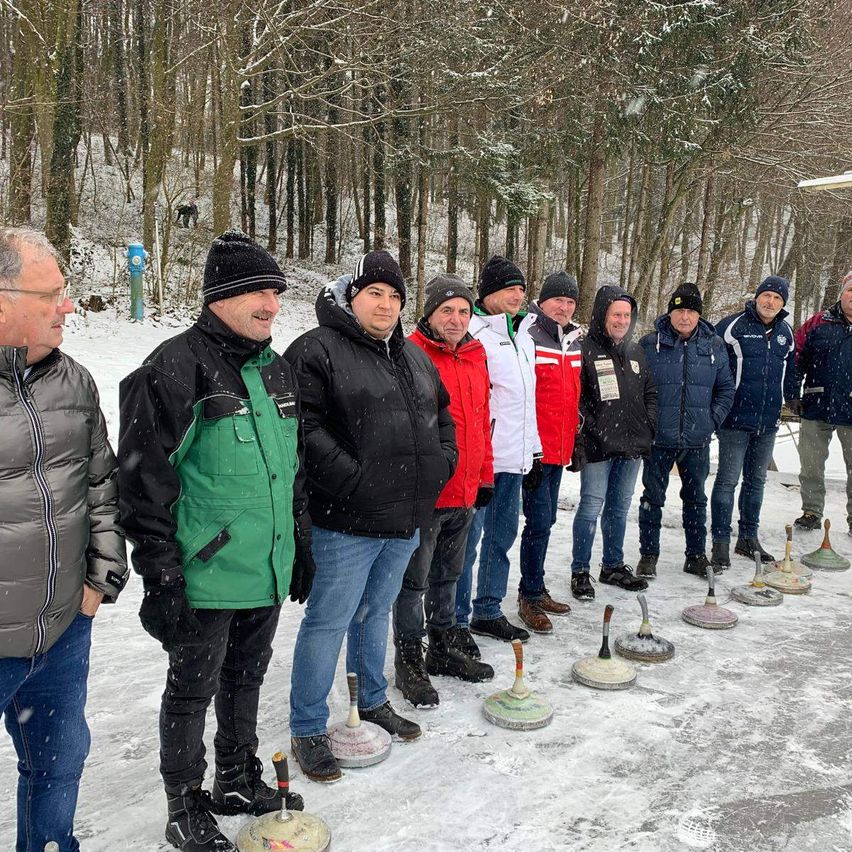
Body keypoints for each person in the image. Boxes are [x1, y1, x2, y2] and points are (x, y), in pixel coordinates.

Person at [118, 231, 313, 852]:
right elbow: (146, 485)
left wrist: (298, 543)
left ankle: (235, 776)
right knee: (191, 690)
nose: (272, 304)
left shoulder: (277, 369)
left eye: (277, 292)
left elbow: (293, 470)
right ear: (221, 296)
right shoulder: (173, 368)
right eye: (258, 291)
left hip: (265, 565)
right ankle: (183, 803)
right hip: (206, 572)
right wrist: (162, 578)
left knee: (246, 679)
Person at [284, 251, 457, 782]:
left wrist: (441, 466)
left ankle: (373, 700)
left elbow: (442, 416)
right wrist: (355, 479)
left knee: (374, 613)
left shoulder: (412, 356)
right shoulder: (317, 350)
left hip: (405, 516)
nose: (385, 304)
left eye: (394, 296)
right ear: (350, 296)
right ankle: (309, 726)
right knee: (329, 621)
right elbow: (303, 430)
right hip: (346, 519)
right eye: (374, 293)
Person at [0, 227, 128, 852]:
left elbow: (101, 486)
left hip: (63, 627)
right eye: (51, 294)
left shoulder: (73, 382)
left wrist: (98, 581)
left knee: (57, 762)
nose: (68, 306)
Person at [393, 274, 496, 708]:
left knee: (449, 576)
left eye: (463, 311)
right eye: (446, 311)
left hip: (467, 489)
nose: (456, 319)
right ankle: (408, 661)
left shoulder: (476, 354)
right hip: (428, 493)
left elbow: (483, 417)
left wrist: (485, 475)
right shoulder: (411, 353)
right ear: (430, 313)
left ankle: (442, 647)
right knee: (413, 582)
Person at [455, 255, 539, 651]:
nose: (518, 296)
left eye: (522, 289)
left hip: (515, 459)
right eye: (510, 288)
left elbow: (525, 399)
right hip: (480, 460)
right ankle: (453, 621)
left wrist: (532, 447)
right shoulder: (472, 334)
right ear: (488, 293)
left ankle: (487, 610)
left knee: (501, 538)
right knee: (466, 544)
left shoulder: (524, 335)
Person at [636, 283, 734, 579]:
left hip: (697, 440)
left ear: (699, 315)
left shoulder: (714, 346)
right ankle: (648, 555)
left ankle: (695, 555)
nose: (685, 316)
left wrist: (710, 421)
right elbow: (637, 389)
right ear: (670, 313)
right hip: (659, 439)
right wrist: (649, 423)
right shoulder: (650, 344)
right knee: (652, 498)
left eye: (691, 311)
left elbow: (726, 389)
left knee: (696, 499)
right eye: (679, 310)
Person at [570, 285, 656, 600]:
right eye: (615, 314)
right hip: (598, 447)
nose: (621, 320)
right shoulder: (585, 349)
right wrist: (594, 431)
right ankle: (580, 570)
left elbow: (650, 393)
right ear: (602, 315)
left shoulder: (635, 352)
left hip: (632, 447)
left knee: (619, 507)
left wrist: (650, 427)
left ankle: (613, 565)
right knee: (592, 506)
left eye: (626, 315)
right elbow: (577, 401)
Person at [710, 275, 798, 566]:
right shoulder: (733, 327)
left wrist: (793, 399)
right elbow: (713, 366)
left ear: (783, 303)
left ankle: (748, 538)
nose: (770, 302)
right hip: (735, 419)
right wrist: (717, 406)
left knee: (756, 482)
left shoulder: (786, 332)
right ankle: (720, 542)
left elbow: (792, 373)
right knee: (727, 481)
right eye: (766, 296)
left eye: (777, 298)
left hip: (768, 421)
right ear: (757, 296)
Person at [514, 272, 580, 632]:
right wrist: (533, 448)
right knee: (534, 523)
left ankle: (536, 588)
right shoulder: (530, 335)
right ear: (543, 301)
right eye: (559, 300)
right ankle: (528, 594)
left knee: (547, 522)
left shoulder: (573, 339)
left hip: (559, 449)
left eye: (570, 302)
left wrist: (576, 442)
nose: (565, 307)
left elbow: (573, 398)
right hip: (534, 450)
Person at [793, 270, 852, 536]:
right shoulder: (817, 323)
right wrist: (792, 392)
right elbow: (796, 358)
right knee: (811, 464)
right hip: (817, 404)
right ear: (842, 293)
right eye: (850, 291)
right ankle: (812, 511)